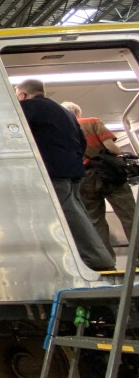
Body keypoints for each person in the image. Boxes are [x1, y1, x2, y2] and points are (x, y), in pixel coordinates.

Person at [15, 80, 114, 271]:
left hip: (54, 171)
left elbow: (14, 133)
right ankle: (93, 258)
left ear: (23, 95)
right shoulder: (66, 112)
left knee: (70, 217)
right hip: (73, 171)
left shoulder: (28, 107)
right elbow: (81, 142)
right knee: (78, 213)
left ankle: (98, 261)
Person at [61, 101, 135, 255]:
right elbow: (111, 147)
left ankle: (106, 261)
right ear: (77, 112)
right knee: (130, 216)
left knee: (95, 221)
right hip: (109, 174)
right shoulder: (92, 122)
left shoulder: (61, 130)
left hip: (84, 177)